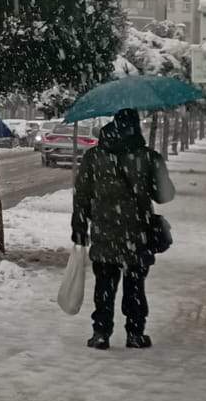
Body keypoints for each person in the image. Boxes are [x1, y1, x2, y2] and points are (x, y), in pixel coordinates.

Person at [72, 108, 167, 351]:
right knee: (135, 286)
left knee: (104, 285)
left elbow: (82, 195)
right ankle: (135, 333)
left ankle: (101, 333)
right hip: (138, 233)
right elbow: (164, 195)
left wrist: (79, 226)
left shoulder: (94, 156)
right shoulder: (148, 157)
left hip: (105, 232)